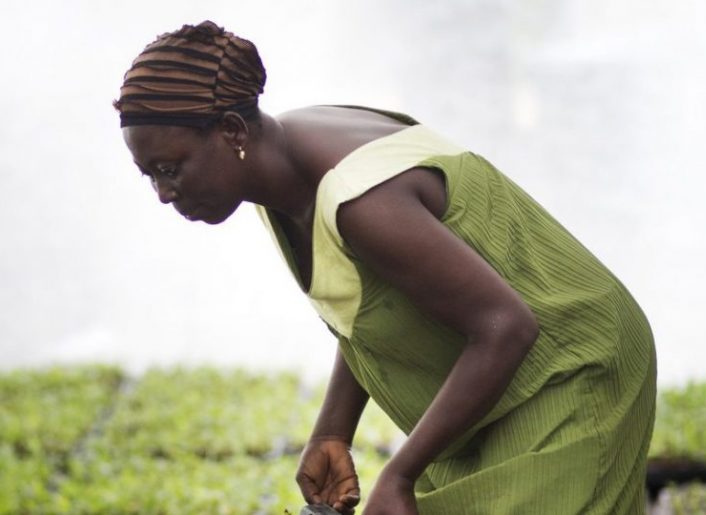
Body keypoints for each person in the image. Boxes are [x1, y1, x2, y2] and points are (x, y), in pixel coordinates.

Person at [114, 21, 656, 515]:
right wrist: (332, 431)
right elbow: (372, 302)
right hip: (501, 386)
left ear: (232, 131)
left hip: (571, 372)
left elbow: (505, 326)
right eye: (149, 175)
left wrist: (399, 475)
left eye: (170, 168)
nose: (163, 193)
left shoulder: (360, 197)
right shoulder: (279, 174)